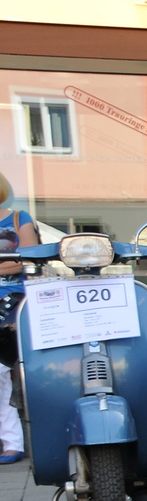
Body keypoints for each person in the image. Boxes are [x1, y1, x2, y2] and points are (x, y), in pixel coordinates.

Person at [0, 174, 31, 465]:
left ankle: (12, 441)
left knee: (1, 371)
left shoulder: (19, 217)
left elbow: (32, 257)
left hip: (12, 301)